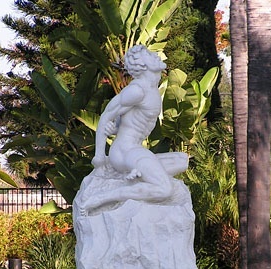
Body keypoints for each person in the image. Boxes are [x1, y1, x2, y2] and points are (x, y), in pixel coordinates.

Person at [79, 45, 189, 215]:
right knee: (164, 189)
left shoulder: (151, 88)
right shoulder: (137, 91)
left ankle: (139, 175)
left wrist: (116, 128)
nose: (155, 56)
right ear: (142, 65)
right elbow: (106, 116)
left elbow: (126, 121)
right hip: (125, 151)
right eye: (149, 55)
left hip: (134, 150)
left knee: (182, 160)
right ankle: (103, 198)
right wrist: (100, 157)